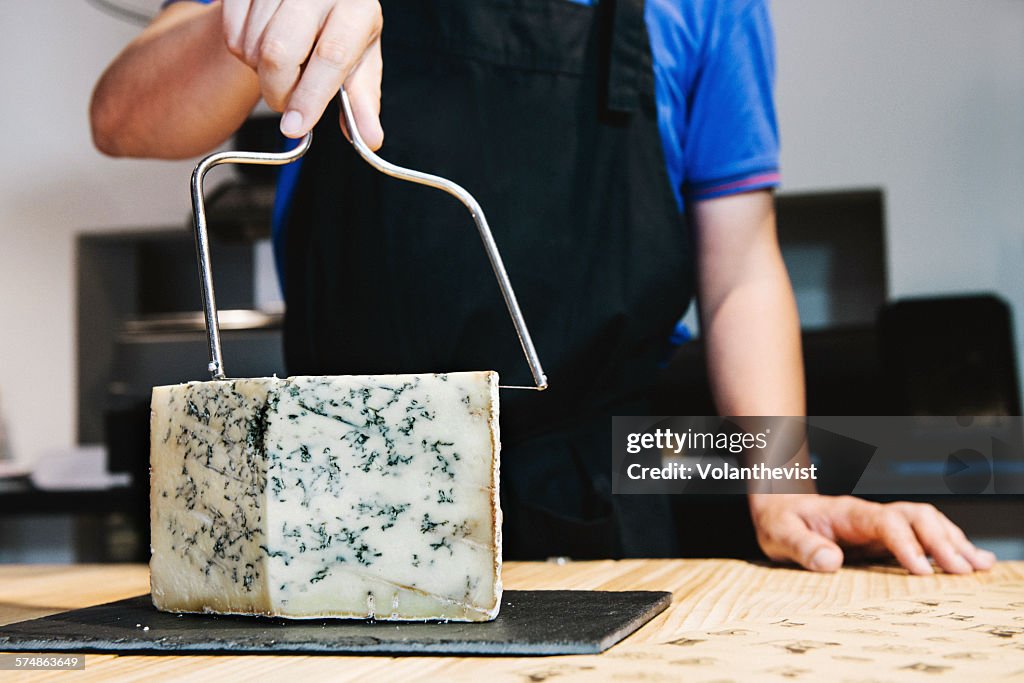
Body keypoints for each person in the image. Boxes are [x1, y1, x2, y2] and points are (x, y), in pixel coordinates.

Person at [91, 0, 995, 575]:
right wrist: (241, 26)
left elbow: (742, 270)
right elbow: (121, 118)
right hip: (347, 500)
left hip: (607, 496)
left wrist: (779, 481)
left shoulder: (709, 8)